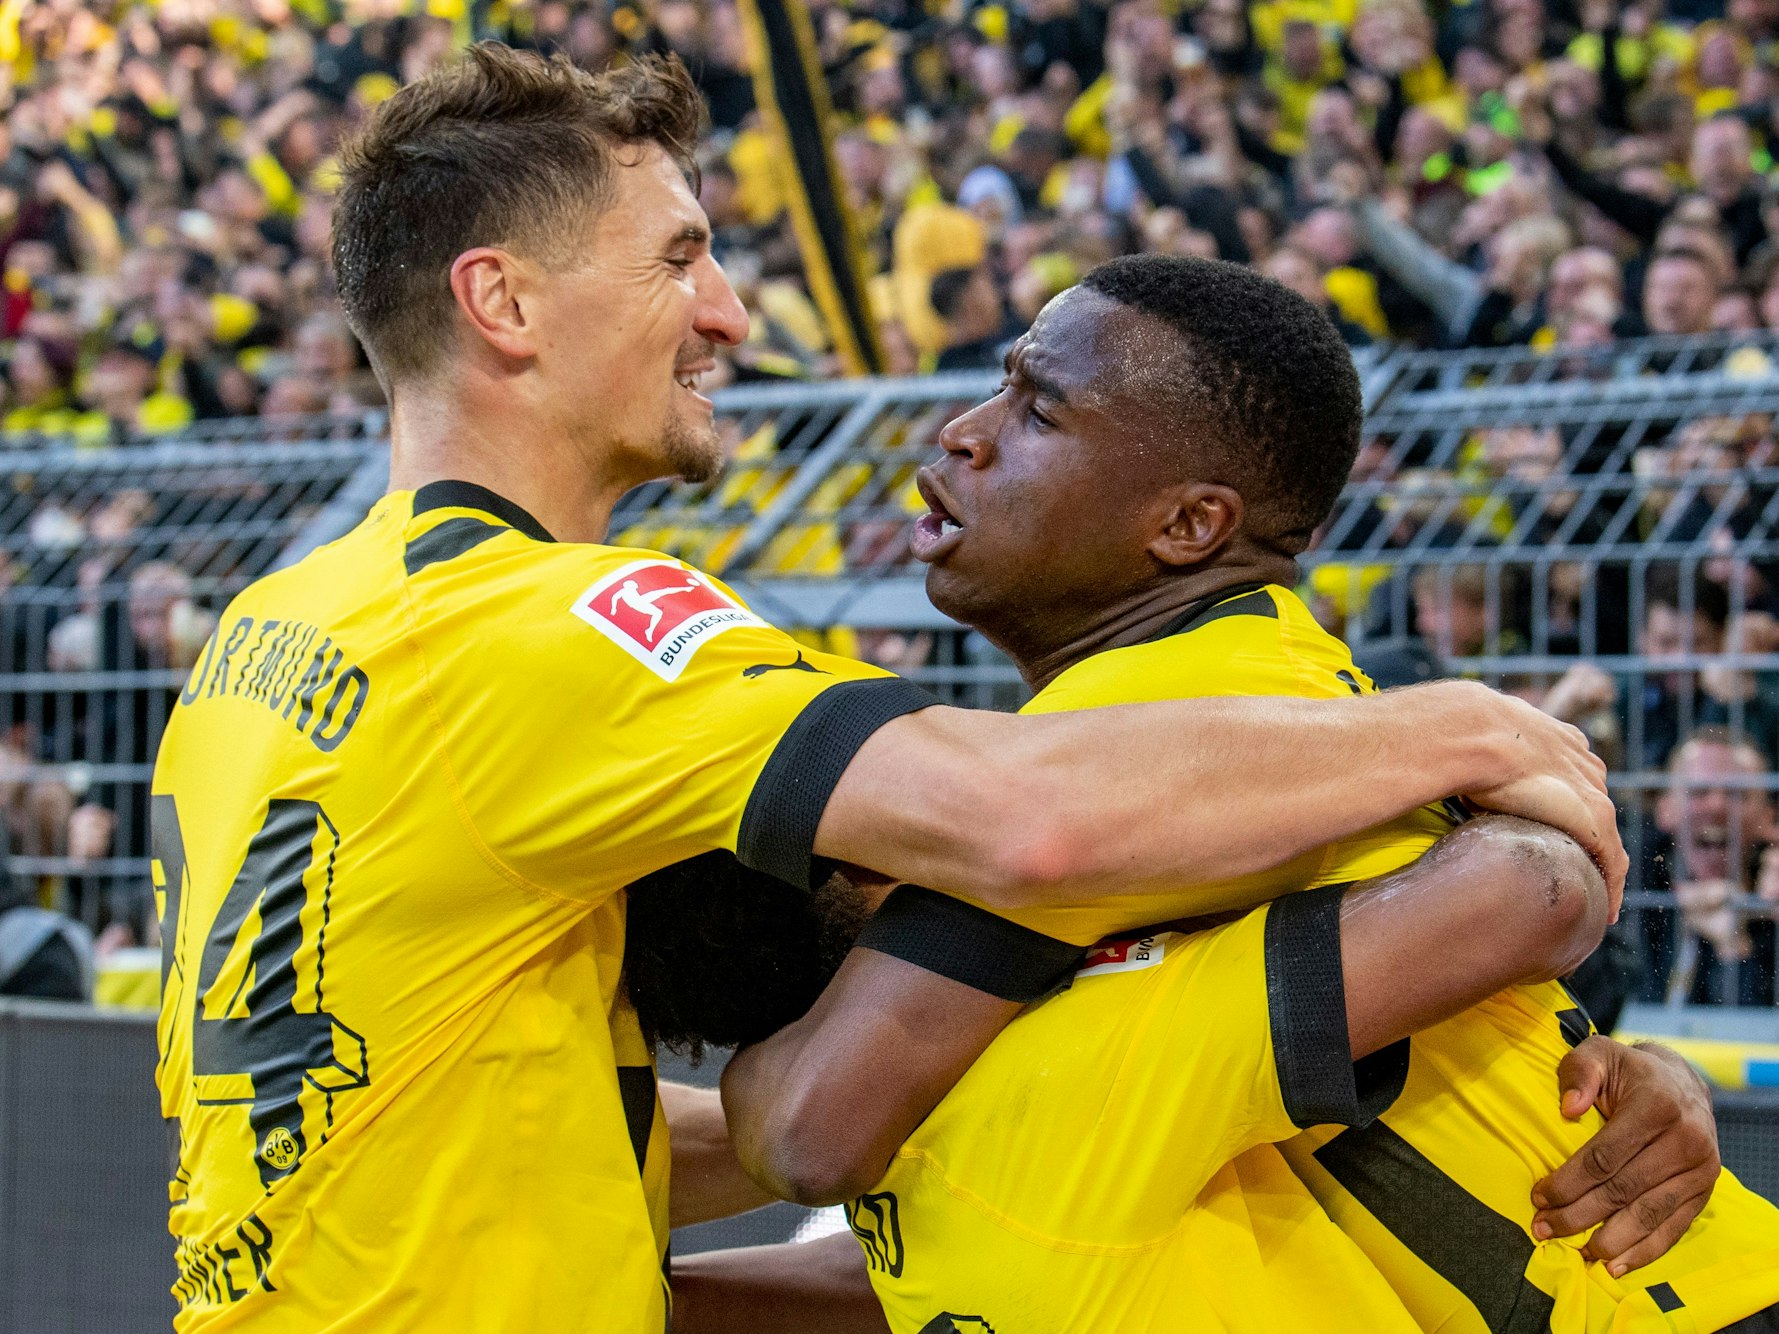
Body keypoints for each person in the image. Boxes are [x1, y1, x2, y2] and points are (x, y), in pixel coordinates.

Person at [148, 49, 1616, 1334]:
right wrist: (1476, 725)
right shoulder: (561, 623)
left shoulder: (264, 633)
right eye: (676, 258)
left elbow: (440, 1105)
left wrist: (1604, 1062)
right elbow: (1019, 825)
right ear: (504, 301)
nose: (726, 311)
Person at [712, 258, 1778, 1331]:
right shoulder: (1271, 689)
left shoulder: (1132, 740)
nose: (963, 432)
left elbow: (815, 1126)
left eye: (1038, 409)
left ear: (1188, 528)